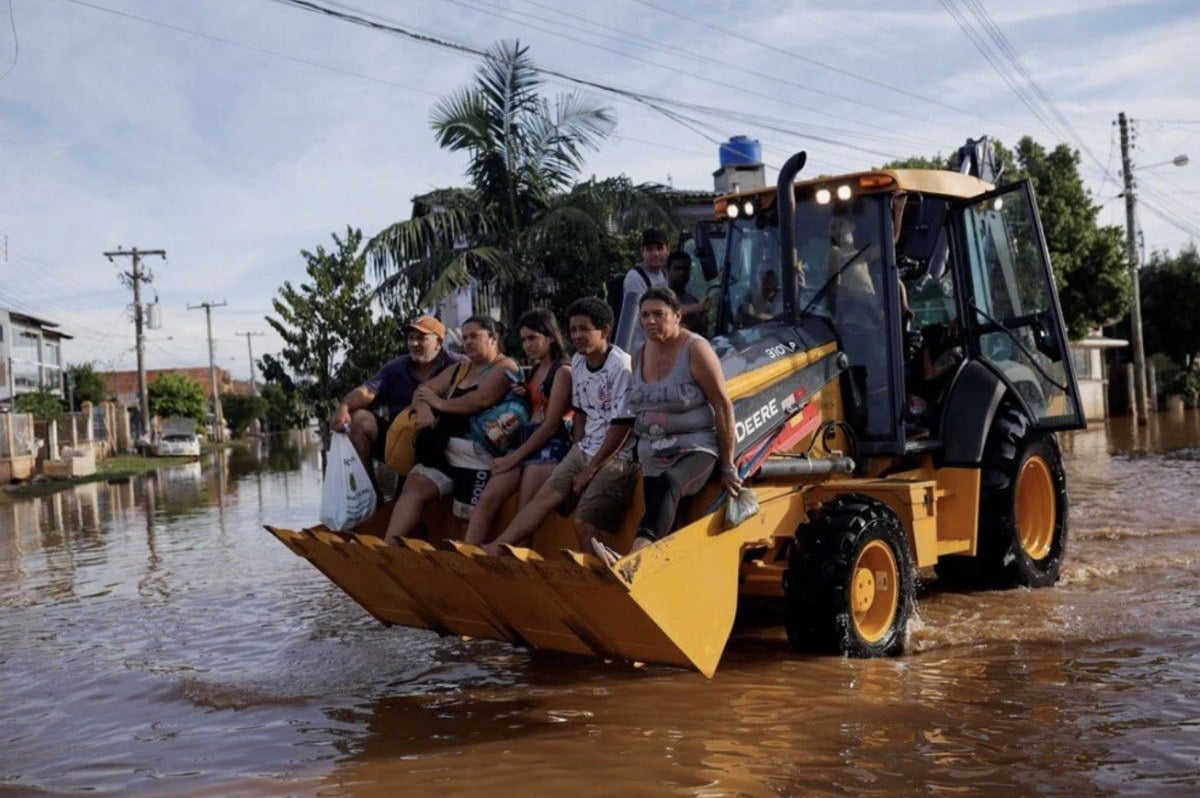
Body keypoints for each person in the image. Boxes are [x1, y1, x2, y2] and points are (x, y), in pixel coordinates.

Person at [482, 297, 637, 556]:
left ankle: (598, 579)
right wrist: (577, 452)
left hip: (616, 456)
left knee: (583, 522)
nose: (577, 335)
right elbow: (580, 413)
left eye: (584, 329)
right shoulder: (578, 361)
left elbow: (621, 426)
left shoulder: (620, 367)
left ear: (605, 331)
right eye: (573, 329)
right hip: (584, 449)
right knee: (542, 500)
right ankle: (498, 547)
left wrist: (592, 468)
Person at [615, 287, 740, 562]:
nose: (650, 321)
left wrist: (729, 466)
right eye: (645, 315)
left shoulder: (696, 349)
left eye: (659, 314)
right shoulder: (638, 355)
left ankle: (633, 558)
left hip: (695, 448)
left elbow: (722, 404)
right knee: (665, 523)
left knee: (669, 483)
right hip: (652, 454)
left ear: (678, 316)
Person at [383, 316, 520, 544]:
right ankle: (387, 550)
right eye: (465, 337)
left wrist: (438, 404)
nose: (468, 342)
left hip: (481, 459)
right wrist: (425, 411)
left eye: (474, 336)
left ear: (493, 338)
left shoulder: (506, 367)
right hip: (445, 452)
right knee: (413, 485)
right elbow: (423, 390)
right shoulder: (460, 369)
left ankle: (466, 567)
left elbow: (481, 400)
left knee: (465, 523)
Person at [464, 309, 573, 546]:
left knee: (523, 518)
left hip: (549, 448)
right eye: (523, 340)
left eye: (533, 338)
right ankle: (466, 557)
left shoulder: (562, 371)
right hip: (525, 444)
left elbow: (551, 424)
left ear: (551, 336)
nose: (527, 345)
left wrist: (513, 458)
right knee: (488, 499)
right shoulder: (534, 370)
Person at [330, 315, 464, 486]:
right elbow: (366, 392)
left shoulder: (458, 364)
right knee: (359, 419)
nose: (413, 343)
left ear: (438, 342)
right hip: (401, 441)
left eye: (421, 338)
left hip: (443, 442)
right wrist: (344, 407)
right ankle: (373, 498)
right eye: (410, 338)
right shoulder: (395, 367)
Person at [614, 228, 671, 349]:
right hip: (638, 347)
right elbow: (639, 317)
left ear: (668, 250)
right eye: (650, 249)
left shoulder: (664, 273)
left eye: (660, 248)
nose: (655, 253)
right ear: (642, 252)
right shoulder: (635, 278)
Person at [666, 250, 711, 334]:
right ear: (668, 270)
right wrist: (698, 307)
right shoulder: (658, 296)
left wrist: (702, 315)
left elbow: (702, 330)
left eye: (685, 269)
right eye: (677, 269)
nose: (681, 273)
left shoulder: (693, 300)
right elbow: (667, 311)